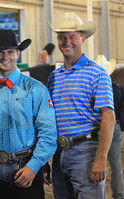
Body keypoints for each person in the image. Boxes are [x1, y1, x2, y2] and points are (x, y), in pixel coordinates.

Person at [0, 28, 58, 199]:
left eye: (10, 52)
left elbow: (49, 133)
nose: (5, 56)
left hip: (25, 170)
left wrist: (34, 166)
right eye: (0, 52)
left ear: (18, 54)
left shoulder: (36, 89)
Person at [47, 12, 115, 199]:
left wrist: (101, 159)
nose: (66, 42)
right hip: (59, 152)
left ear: (82, 39)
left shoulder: (97, 73)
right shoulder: (54, 77)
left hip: (86, 152)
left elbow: (108, 116)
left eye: (72, 37)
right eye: (62, 37)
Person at [95, 55, 124, 199]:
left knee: (95, 164)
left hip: (98, 128)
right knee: (116, 164)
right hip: (116, 127)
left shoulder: (95, 89)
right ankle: (118, 194)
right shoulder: (118, 88)